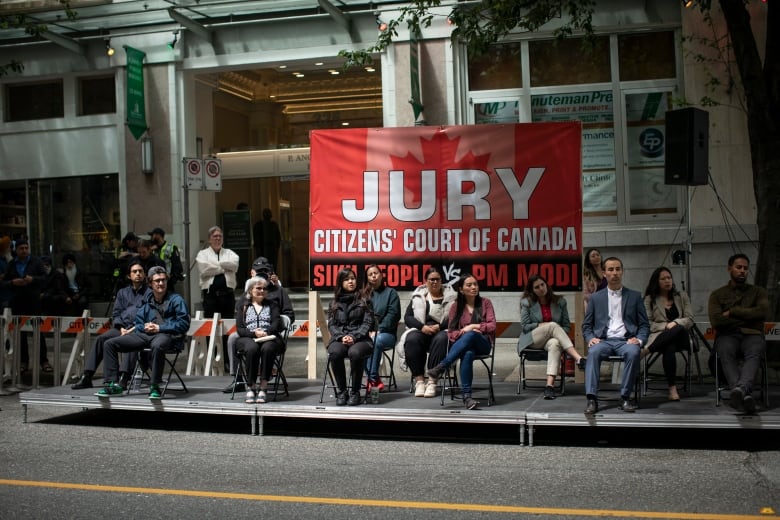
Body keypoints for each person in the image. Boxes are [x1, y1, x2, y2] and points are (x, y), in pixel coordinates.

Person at [99, 266, 190, 399]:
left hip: (168, 336)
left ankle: (155, 386)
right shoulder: (147, 302)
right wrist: (145, 327)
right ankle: (113, 384)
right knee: (109, 344)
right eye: (157, 281)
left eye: (163, 280)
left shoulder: (176, 300)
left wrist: (159, 328)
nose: (161, 283)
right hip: (146, 336)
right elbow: (139, 324)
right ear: (150, 283)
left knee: (157, 345)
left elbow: (184, 323)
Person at [582, 256, 649, 415]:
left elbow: (644, 325)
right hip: (603, 340)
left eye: (618, 269)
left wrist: (639, 339)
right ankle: (592, 399)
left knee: (633, 352)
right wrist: (590, 338)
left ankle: (625, 397)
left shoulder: (634, 296)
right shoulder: (596, 298)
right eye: (611, 270)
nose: (615, 273)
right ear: (604, 273)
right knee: (593, 352)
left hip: (626, 341)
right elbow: (586, 325)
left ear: (622, 272)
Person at [72, 259, 152, 390]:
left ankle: (124, 378)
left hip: (138, 330)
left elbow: (149, 315)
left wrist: (131, 330)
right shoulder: (122, 293)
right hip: (121, 328)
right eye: (134, 271)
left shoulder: (150, 293)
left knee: (130, 342)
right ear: (129, 275)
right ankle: (88, 376)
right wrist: (121, 328)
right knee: (101, 339)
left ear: (144, 274)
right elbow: (116, 314)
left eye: (140, 271)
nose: (138, 274)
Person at [223, 256, 295, 393]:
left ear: (271, 273)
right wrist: (250, 290)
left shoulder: (278, 291)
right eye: (259, 271)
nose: (262, 274)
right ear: (252, 273)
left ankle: (263, 376)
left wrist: (272, 325)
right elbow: (239, 310)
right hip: (249, 331)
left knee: (266, 346)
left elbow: (289, 315)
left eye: (265, 271)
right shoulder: (250, 289)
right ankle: (238, 379)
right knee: (232, 338)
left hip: (271, 330)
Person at [707, 253, 768, 414]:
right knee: (725, 351)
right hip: (728, 335)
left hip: (752, 334)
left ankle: (739, 391)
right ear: (729, 269)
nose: (742, 271)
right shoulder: (717, 294)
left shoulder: (758, 292)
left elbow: (762, 313)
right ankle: (744, 393)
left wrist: (732, 311)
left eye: (746, 268)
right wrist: (748, 317)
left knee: (755, 351)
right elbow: (717, 322)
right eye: (738, 267)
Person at [426, 273, 496, 410]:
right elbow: (451, 333)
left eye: (475, 284)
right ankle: (467, 397)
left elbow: (492, 326)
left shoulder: (485, 303)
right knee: (468, 353)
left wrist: (473, 327)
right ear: (461, 290)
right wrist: (465, 332)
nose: (474, 287)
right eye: (469, 285)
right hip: (465, 346)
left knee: (471, 335)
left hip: (483, 344)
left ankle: (442, 366)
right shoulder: (455, 307)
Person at [517, 274, 586, 400]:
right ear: (532, 290)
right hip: (532, 340)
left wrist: (553, 331)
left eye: (542, 284)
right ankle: (579, 359)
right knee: (553, 325)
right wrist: (541, 325)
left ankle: (549, 386)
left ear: (546, 284)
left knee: (555, 343)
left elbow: (566, 326)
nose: (541, 288)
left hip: (550, 340)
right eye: (537, 287)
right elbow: (525, 327)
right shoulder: (526, 303)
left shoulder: (560, 302)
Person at [395, 266, 456, 398]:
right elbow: (408, 317)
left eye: (437, 279)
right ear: (426, 281)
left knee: (442, 338)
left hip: (441, 330)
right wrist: (422, 327)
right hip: (422, 330)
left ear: (442, 281)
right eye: (431, 279)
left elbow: (455, 318)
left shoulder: (452, 297)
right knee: (411, 338)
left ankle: (433, 381)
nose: (434, 282)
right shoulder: (418, 296)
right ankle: (420, 381)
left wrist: (440, 326)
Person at [642, 267, 694, 402]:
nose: (667, 281)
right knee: (668, 346)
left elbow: (690, 319)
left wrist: (676, 323)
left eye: (669, 278)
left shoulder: (682, 296)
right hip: (661, 338)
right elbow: (647, 323)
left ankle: (647, 350)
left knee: (676, 329)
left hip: (681, 337)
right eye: (663, 278)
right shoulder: (649, 299)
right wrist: (665, 326)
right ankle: (672, 389)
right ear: (656, 282)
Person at [326, 267, 374, 406]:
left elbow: (368, 322)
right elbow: (332, 325)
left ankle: (355, 392)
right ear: (341, 283)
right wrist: (341, 337)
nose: (351, 281)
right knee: (335, 352)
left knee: (355, 352)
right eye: (346, 279)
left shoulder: (365, 300)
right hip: (340, 337)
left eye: (352, 278)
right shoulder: (333, 303)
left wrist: (354, 336)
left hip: (361, 338)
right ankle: (342, 392)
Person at [2, 239, 50, 372]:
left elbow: (45, 278)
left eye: (26, 248)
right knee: (20, 333)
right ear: (16, 250)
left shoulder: (36, 262)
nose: (24, 250)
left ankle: (44, 361)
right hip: (17, 302)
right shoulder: (11, 264)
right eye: (21, 248)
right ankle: (24, 362)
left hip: (33, 301)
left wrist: (33, 279)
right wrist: (13, 282)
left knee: (38, 332)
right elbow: (4, 282)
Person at [196, 226, 240, 372]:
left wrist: (215, 266)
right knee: (211, 330)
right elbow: (204, 269)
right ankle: (213, 360)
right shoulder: (202, 254)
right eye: (214, 236)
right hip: (211, 298)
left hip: (227, 297)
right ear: (209, 239)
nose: (217, 238)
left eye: (220, 236)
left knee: (228, 330)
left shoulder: (230, 253)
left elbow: (234, 265)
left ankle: (228, 361)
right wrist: (223, 267)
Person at [235, 276, 283, 404]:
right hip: (248, 337)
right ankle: (251, 387)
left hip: (269, 336)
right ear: (250, 290)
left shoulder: (272, 304)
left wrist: (265, 332)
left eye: (264, 288)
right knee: (252, 348)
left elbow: (276, 323)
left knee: (268, 348)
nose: (262, 291)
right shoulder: (243, 305)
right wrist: (254, 333)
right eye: (258, 288)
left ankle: (263, 386)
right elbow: (240, 329)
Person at [364, 264, 400, 392]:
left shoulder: (391, 293)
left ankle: (372, 379)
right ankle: (374, 380)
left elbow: (393, 315)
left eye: (376, 273)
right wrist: (366, 331)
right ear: (367, 278)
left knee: (376, 340)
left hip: (387, 334)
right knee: (359, 344)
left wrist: (379, 329)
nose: (373, 276)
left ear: (381, 275)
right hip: (368, 333)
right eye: (370, 274)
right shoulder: (365, 295)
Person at [583, 248, 607, 312]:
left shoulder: (607, 272)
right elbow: (586, 295)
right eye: (593, 256)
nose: (596, 257)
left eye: (598, 255)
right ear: (589, 260)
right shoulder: (586, 276)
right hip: (596, 306)